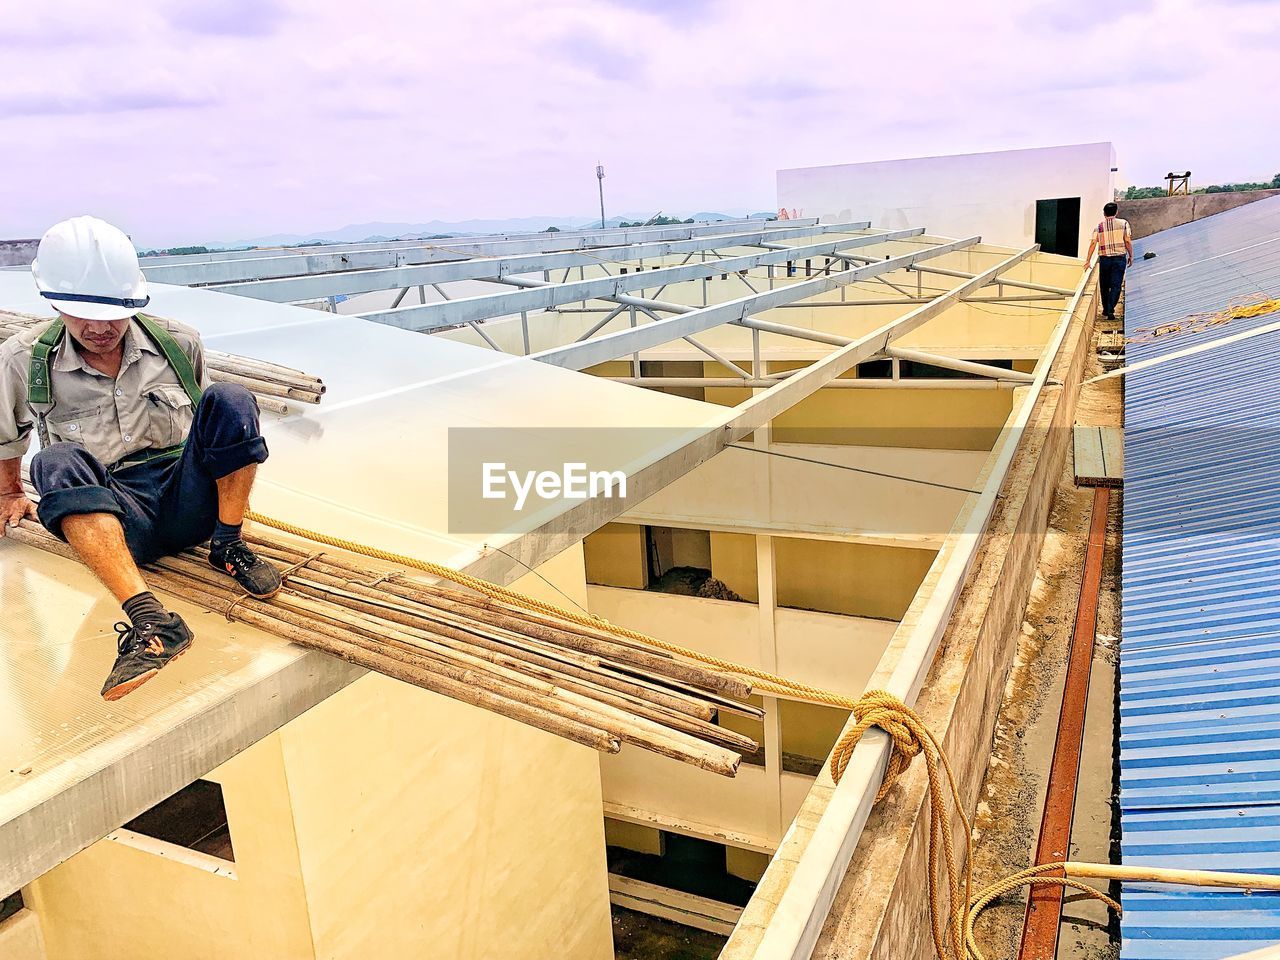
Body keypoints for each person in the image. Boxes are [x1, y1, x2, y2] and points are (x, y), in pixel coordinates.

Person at [0, 216, 282, 701]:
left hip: (187, 503)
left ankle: (228, 545)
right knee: (55, 460)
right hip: (115, 521)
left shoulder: (178, 343)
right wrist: (9, 492)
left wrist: (228, 497)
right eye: (81, 313)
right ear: (53, 304)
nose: (99, 327)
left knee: (232, 399)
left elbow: (214, 430)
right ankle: (152, 622)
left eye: (114, 312)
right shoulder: (23, 361)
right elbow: (7, 435)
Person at [1084, 201, 1134, 321]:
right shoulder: (1123, 224)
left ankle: (1106, 309)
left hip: (1105, 259)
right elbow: (1127, 240)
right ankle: (1111, 309)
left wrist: (1088, 260)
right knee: (1116, 285)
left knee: (1104, 285)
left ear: (1104, 213)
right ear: (1116, 212)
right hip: (1119, 258)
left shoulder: (1099, 226)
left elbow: (1093, 243)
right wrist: (1131, 255)